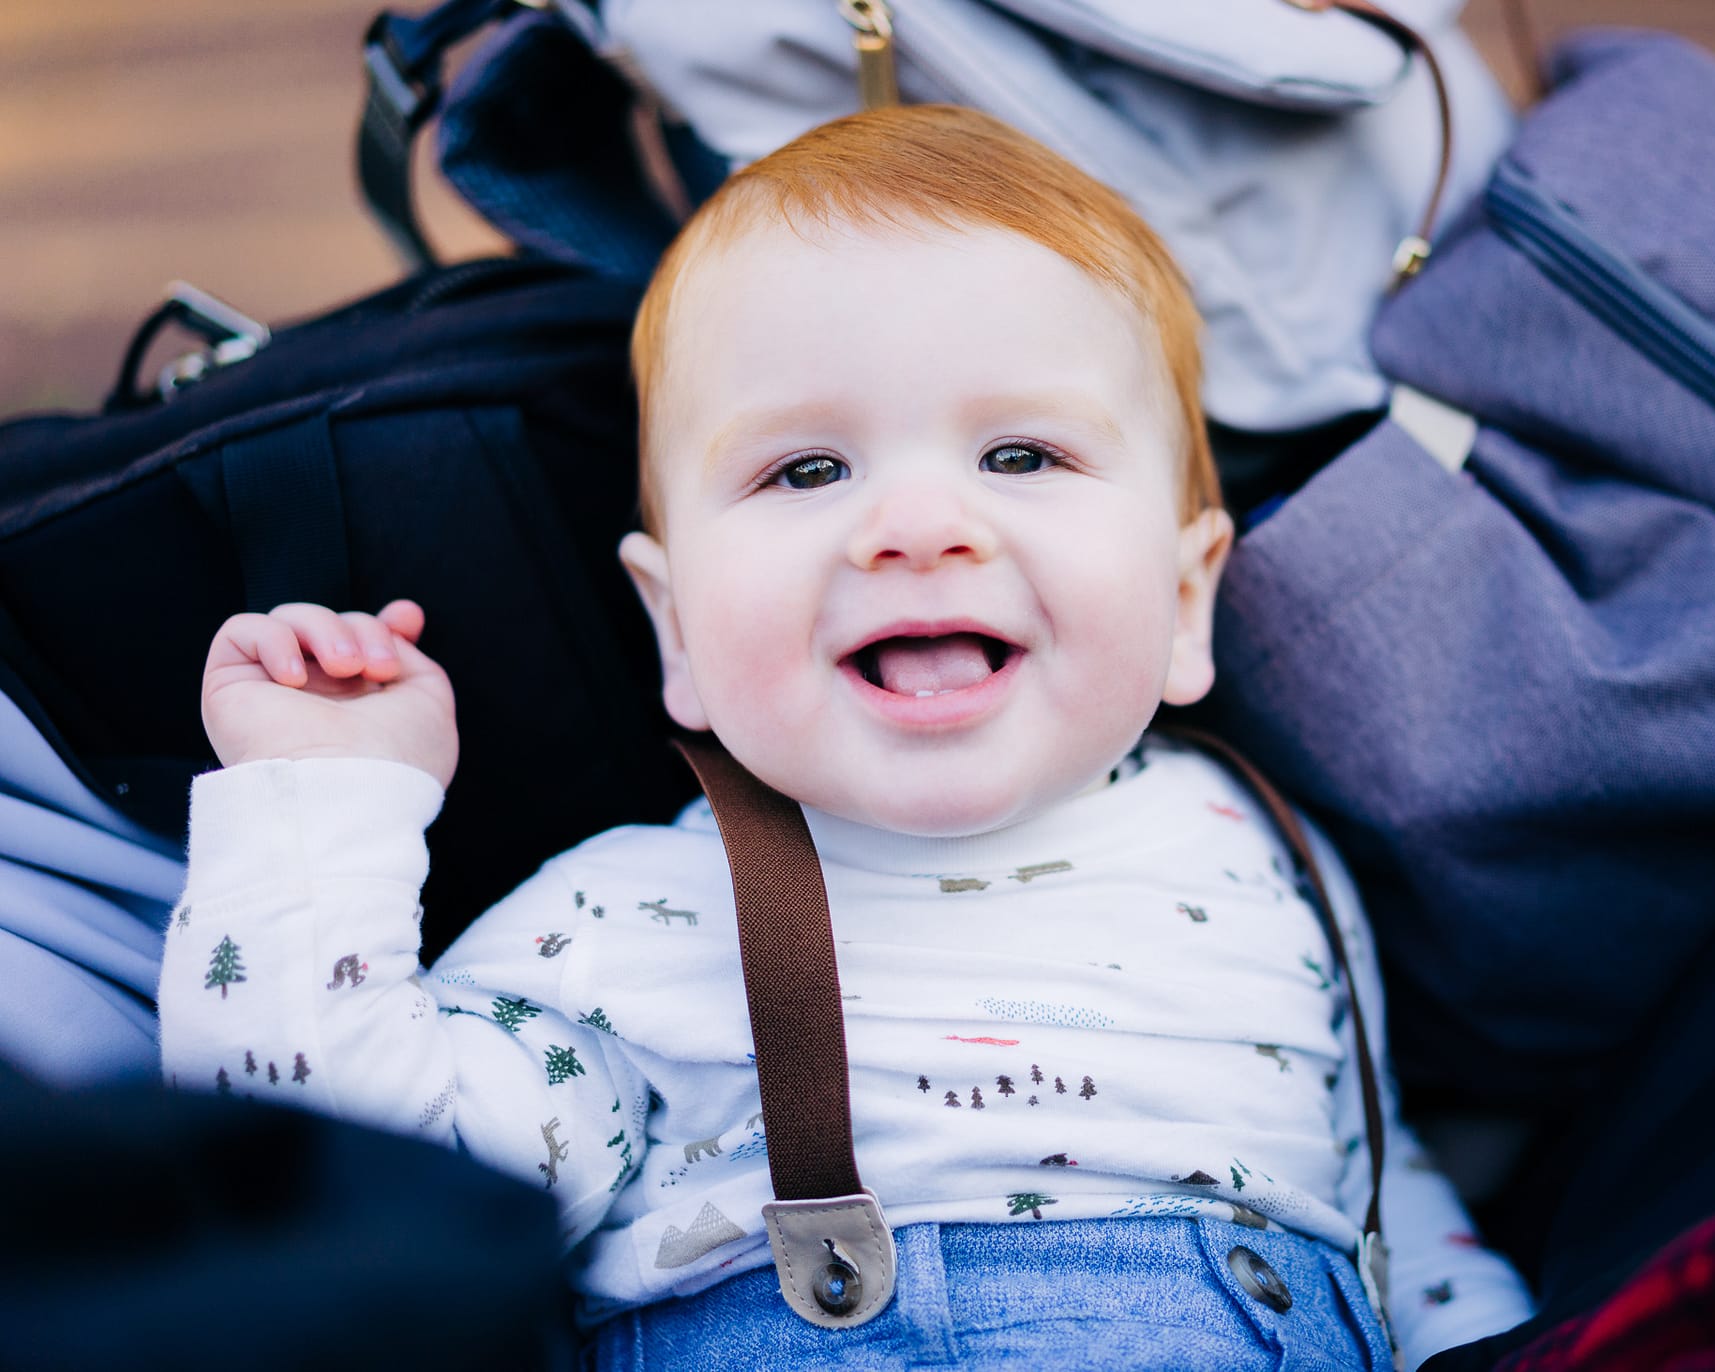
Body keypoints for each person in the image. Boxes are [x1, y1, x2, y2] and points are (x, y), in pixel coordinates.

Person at [158, 105, 1531, 1370]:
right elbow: (343, 1196)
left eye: (1021, 456)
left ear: (1185, 602)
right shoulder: (630, 920)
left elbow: (1381, 1189)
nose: (915, 527)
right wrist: (321, 803)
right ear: (676, 630)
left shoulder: (1273, 860)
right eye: (807, 469)